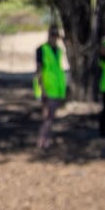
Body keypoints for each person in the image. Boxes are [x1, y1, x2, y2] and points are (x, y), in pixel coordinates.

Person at [33, 22, 68, 153]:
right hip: (47, 88)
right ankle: (42, 140)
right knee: (47, 116)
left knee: (50, 117)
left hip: (56, 89)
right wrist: (42, 89)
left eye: (56, 35)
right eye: (52, 34)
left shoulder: (58, 51)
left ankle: (46, 139)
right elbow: (39, 70)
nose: (54, 37)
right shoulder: (42, 50)